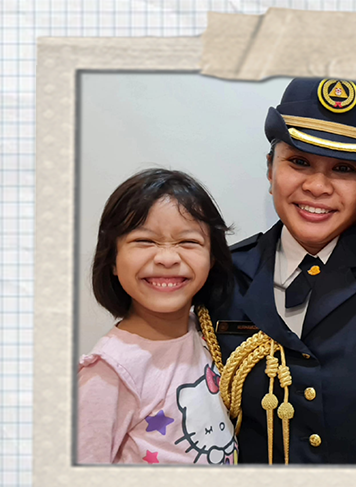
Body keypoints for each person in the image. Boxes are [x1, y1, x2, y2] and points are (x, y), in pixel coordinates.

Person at [210, 78, 356, 464]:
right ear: (269, 169)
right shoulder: (219, 274)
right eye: (299, 162)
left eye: (343, 168)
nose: (317, 186)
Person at [77, 169, 239, 465]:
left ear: (212, 259)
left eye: (188, 242)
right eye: (144, 241)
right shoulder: (109, 372)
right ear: (112, 260)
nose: (167, 258)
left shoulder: (208, 335)